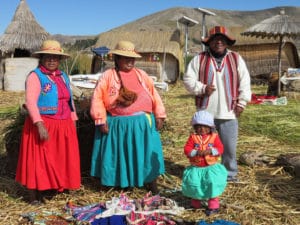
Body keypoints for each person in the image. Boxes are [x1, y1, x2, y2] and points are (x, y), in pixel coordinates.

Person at [90, 40, 166, 193]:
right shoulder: (108, 76)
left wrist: (159, 114)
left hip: (143, 123)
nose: (130, 61)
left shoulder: (141, 74)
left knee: (147, 151)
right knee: (119, 155)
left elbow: (153, 93)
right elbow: (97, 97)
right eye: (126, 58)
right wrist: (100, 118)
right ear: (117, 58)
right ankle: (120, 182)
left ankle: (149, 180)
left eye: (132, 58)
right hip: (119, 124)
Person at [15, 40, 81, 204]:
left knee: (60, 158)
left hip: (63, 123)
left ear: (59, 60)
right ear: (42, 58)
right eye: (48, 57)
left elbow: (69, 100)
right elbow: (30, 101)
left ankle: (56, 186)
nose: (52, 60)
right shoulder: (35, 76)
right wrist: (39, 123)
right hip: (44, 123)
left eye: (55, 57)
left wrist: (73, 120)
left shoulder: (63, 76)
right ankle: (34, 195)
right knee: (39, 159)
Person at [183, 26, 252, 182]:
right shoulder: (199, 59)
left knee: (228, 147)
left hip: (229, 111)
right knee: (203, 146)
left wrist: (242, 102)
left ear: (227, 42)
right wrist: (202, 88)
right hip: (205, 113)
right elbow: (188, 79)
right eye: (215, 40)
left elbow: (245, 82)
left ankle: (229, 174)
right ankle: (206, 172)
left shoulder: (236, 58)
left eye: (222, 40)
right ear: (209, 43)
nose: (219, 42)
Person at [182, 110, 227, 216]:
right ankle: (195, 204)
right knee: (195, 185)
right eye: (198, 126)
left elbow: (220, 148)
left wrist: (211, 150)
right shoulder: (193, 137)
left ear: (210, 127)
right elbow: (187, 149)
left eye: (205, 126)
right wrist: (196, 152)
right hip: (196, 168)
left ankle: (213, 206)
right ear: (195, 127)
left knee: (212, 185)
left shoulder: (214, 137)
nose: (201, 129)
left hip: (210, 168)